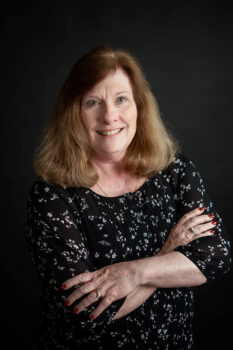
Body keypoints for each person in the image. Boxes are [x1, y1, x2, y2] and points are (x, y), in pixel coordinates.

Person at [25, 46, 231, 350]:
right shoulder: (51, 196)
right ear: (73, 112)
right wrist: (167, 256)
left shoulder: (175, 170)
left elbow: (216, 256)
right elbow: (88, 314)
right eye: (93, 102)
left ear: (139, 107)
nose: (110, 116)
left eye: (121, 99)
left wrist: (132, 273)